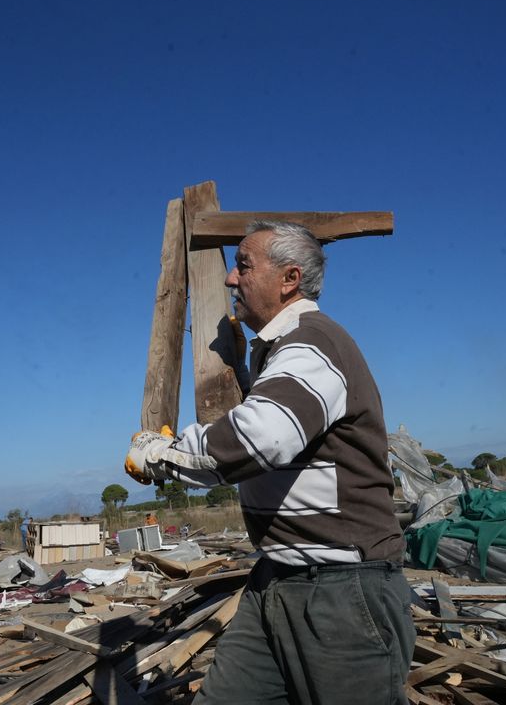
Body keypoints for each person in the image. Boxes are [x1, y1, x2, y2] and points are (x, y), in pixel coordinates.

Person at [125, 221, 415, 705]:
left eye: (243, 265)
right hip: (277, 580)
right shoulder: (275, 354)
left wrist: (160, 455)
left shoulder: (313, 342)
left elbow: (261, 438)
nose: (229, 279)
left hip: (341, 590)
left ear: (289, 279)